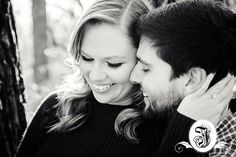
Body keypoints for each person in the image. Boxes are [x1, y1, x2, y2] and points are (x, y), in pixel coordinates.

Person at [15, 0, 233, 157]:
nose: (96, 75)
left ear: (142, 55)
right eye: (86, 57)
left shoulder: (169, 125)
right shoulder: (57, 106)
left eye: (114, 63)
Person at [130, 0, 236, 156]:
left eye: (146, 68)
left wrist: (183, 131)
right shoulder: (160, 120)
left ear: (192, 79)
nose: (133, 77)